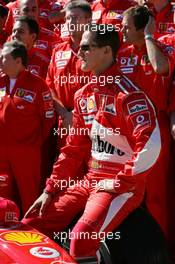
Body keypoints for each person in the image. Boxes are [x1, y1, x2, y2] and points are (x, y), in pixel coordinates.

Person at [22, 24, 161, 263]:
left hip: (122, 186)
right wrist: (50, 190)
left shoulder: (130, 95)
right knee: (32, 224)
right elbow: (73, 150)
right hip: (90, 179)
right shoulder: (82, 95)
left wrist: (118, 182)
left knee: (81, 239)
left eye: (86, 47)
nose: (79, 52)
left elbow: (151, 146)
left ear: (107, 51)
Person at [118, 5, 175, 238]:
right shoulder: (122, 55)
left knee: (156, 196)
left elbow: (161, 68)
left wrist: (150, 37)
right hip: (126, 131)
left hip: (155, 130)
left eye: (126, 27)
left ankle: (160, 253)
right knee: (127, 194)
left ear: (142, 30)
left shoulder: (164, 47)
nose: (122, 32)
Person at [0, 40, 54, 214]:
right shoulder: (0, 81)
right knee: (2, 195)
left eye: (3, 58)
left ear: (18, 61)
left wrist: (33, 142)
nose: (0, 61)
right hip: (2, 150)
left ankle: (33, 232)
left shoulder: (38, 84)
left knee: (29, 196)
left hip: (26, 151)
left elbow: (48, 117)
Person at [46, 0, 92, 150]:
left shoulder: (97, 48)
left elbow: (100, 83)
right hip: (64, 118)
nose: (70, 22)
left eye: (75, 17)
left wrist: (76, 113)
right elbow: (49, 85)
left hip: (90, 118)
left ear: (88, 20)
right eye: (67, 18)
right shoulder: (58, 49)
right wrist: (64, 114)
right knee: (64, 164)